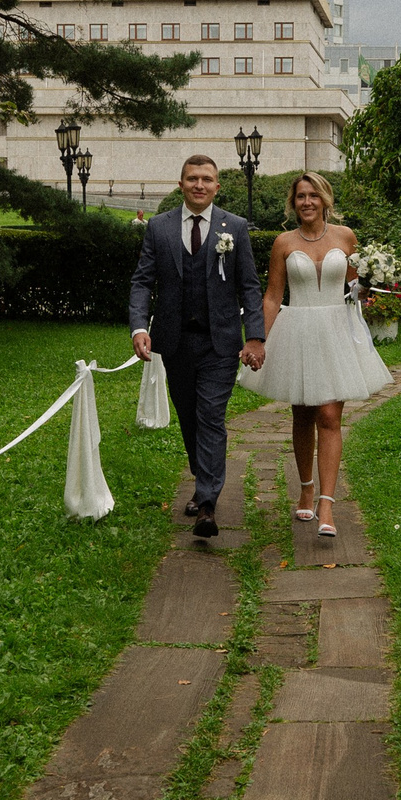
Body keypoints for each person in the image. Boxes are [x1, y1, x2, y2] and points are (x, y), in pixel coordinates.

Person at [236, 170, 390, 538]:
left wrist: (369, 285)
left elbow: (355, 286)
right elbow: (273, 296)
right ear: (294, 202)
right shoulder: (283, 243)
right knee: (303, 413)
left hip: (337, 329)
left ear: (325, 200)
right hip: (298, 329)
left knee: (329, 415)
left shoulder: (345, 237)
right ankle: (305, 486)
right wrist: (258, 338)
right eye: (301, 196)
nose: (307, 202)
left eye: (313, 196)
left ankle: (326, 503)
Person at [130, 155, 265, 538]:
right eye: (192, 179)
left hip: (219, 342)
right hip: (174, 341)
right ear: (181, 184)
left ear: (217, 186)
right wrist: (139, 326)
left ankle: (207, 503)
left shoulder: (234, 228)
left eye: (207, 179)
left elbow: (250, 286)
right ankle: (202, 479)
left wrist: (254, 335)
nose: (199, 185)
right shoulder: (159, 227)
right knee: (189, 417)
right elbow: (142, 282)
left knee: (210, 416)